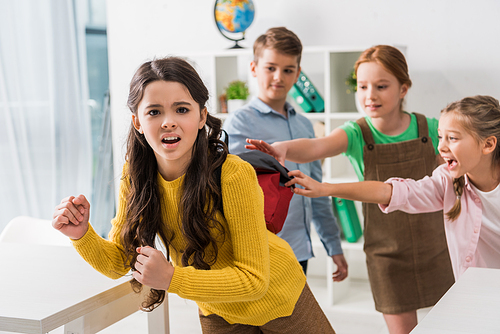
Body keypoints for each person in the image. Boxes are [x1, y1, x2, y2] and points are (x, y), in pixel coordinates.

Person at [52, 56, 336, 333]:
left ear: (202, 116)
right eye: (154, 112)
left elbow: (254, 280)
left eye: (182, 109)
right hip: (217, 309)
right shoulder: (136, 176)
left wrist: (172, 277)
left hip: (279, 297)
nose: (168, 122)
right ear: (137, 122)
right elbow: (118, 262)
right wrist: (81, 234)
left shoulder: (232, 173)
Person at [247, 45, 455, 334]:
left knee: (449, 323)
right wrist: (283, 148)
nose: (370, 95)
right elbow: (317, 146)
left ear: (403, 88)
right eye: (363, 86)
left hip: (438, 246)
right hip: (386, 252)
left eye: (381, 86)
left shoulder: (430, 128)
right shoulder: (357, 133)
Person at [284, 95, 500, 281]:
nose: (441, 147)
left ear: (488, 144)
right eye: (441, 137)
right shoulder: (446, 181)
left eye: (452, 138)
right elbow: (391, 191)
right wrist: (325, 189)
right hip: (472, 291)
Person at [223, 27, 348, 280]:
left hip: (299, 250)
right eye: (270, 67)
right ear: (254, 68)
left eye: (288, 70)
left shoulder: (304, 126)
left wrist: (333, 245)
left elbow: (316, 190)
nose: (278, 77)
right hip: (260, 251)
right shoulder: (239, 123)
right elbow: (231, 191)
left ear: (298, 74)